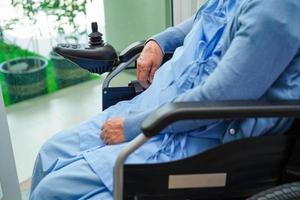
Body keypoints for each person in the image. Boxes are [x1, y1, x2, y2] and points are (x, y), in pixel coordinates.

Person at [30, 0, 300, 199]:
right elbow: (204, 19)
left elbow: (220, 98)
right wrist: (157, 42)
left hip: (192, 133)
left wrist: (131, 127)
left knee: (53, 192)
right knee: (50, 152)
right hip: (158, 105)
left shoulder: (276, 12)